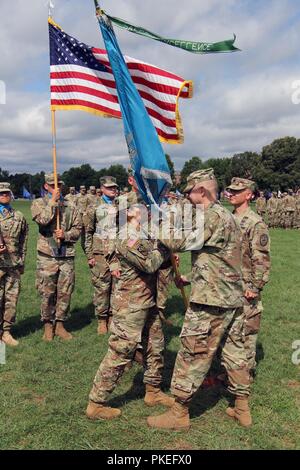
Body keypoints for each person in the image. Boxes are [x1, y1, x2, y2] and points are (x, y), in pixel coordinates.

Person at [147, 169, 252, 430]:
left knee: (192, 353)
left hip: (211, 301)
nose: (187, 198)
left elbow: (177, 241)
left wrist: (159, 222)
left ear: (202, 191)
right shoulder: (223, 215)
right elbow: (218, 260)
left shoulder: (213, 217)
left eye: (189, 192)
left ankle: (179, 413)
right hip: (230, 298)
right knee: (235, 353)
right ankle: (242, 408)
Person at [86, 205, 174, 420]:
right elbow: (150, 263)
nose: (147, 210)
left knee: (155, 346)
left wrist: (168, 256)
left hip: (148, 301)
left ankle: (153, 391)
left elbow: (158, 262)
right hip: (130, 305)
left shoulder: (145, 234)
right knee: (121, 351)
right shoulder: (126, 237)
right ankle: (96, 403)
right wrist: (166, 248)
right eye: (141, 208)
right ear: (131, 214)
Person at [227, 178, 271, 378]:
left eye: (238, 190)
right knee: (231, 332)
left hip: (246, 286)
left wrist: (255, 286)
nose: (232, 193)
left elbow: (260, 258)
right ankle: (231, 372)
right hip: (228, 284)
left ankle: (245, 374)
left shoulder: (255, 222)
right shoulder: (228, 218)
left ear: (249, 195)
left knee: (247, 331)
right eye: (231, 190)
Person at [31, 173, 82, 341]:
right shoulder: (38, 203)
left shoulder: (70, 205)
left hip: (66, 254)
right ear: (46, 186)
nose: (57, 188)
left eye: (59, 185)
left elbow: (78, 229)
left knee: (65, 291)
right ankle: (47, 324)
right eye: (53, 185)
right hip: (47, 255)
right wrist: (52, 201)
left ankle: (60, 324)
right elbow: (43, 220)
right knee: (47, 292)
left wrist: (65, 235)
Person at [84, 176, 118, 335]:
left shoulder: (121, 205)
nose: (113, 190)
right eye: (109, 187)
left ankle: (113, 316)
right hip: (100, 253)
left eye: (115, 187)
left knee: (116, 285)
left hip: (117, 252)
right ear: (102, 188)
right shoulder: (94, 206)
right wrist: (89, 254)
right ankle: (102, 319)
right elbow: (88, 232)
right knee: (102, 286)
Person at [0, 183, 28, 346]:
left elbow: (24, 240)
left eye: (6, 193)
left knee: (11, 299)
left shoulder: (19, 216)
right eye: (1, 193)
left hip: (13, 265)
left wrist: (22, 261)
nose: (4, 195)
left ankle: (6, 332)